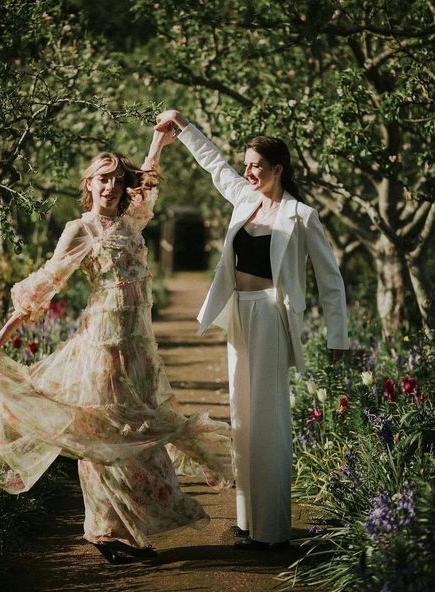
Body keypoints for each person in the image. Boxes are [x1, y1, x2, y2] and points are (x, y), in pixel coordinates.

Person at [0, 127, 231, 564]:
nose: (110, 186)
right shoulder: (80, 229)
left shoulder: (131, 220)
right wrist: (5, 330)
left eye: (116, 180)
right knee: (106, 435)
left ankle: (120, 531)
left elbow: (148, 180)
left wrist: (159, 143)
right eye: (101, 179)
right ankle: (104, 531)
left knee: (138, 435)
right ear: (88, 185)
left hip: (138, 345)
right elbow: (47, 284)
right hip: (103, 345)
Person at [155, 110, 349, 550]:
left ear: (278, 169)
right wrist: (183, 126)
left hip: (271, 317)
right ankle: (246, 523)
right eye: (247, 165)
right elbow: (214, 164)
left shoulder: (301, 216)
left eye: (256, 166)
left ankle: (273, 530)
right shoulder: (243, 199)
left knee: (269, 420)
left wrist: (338, 337)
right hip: (239, 315)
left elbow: (331, 279)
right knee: (241, 418)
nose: (248, 171)